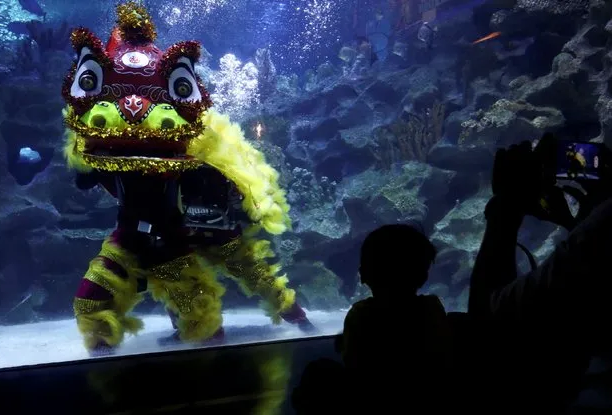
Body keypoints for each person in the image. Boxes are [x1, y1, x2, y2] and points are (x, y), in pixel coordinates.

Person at [61, 2, 313, 356]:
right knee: (92, 302)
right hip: (132, 238)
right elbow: (85, 178)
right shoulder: (103, 146)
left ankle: (296, 319)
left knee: (246, 279)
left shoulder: (190, 155)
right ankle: (106, 370)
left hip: (187, 234)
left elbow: (209, 181)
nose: (133, 111)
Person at [467, 136, 612, 412]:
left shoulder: (599, 235)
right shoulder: (597, 231)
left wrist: (507, 207)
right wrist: (579, 224)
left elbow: (489, 319)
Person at [340, 223, 452, 411]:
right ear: (424, 276)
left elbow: (352, 366)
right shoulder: (432, 307)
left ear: (363, 274)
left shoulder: (360, 315)